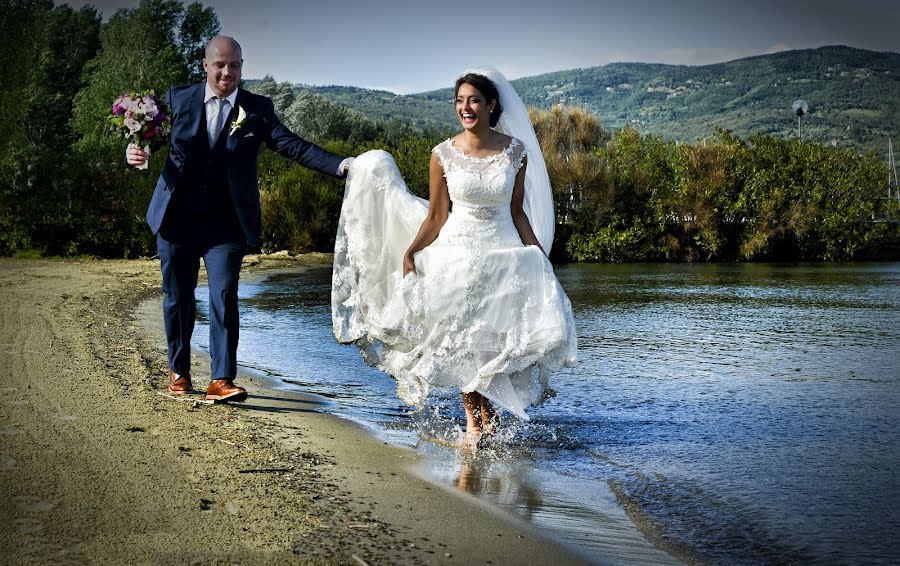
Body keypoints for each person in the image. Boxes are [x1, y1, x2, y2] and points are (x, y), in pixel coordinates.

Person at [332, 68, 576, 446]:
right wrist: (413, 250)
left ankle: (489, 418)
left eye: (474, 100)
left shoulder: (515, 152)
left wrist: (540, 257)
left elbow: (517, 212)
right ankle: (474, 423)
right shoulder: (442, 154)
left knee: (492, 343)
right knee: (462, 339)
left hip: (503, 255)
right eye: (460, 101)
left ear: (492, 105)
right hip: (456, 256)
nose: (466, 107)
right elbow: (436, 216)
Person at [127, 36, 353, 403]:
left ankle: (221, 378)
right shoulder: (178, 99)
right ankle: (179, 371)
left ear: (242, 66)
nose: (227, 72)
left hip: (227, 224)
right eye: (219, 65)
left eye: (234, 65)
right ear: (205, 65)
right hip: (177, 219)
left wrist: (343, 165)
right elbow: (149, 139)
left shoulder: (258, 109)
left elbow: (293, 145)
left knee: (224, 295)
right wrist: (135, 151)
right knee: (177, 298)